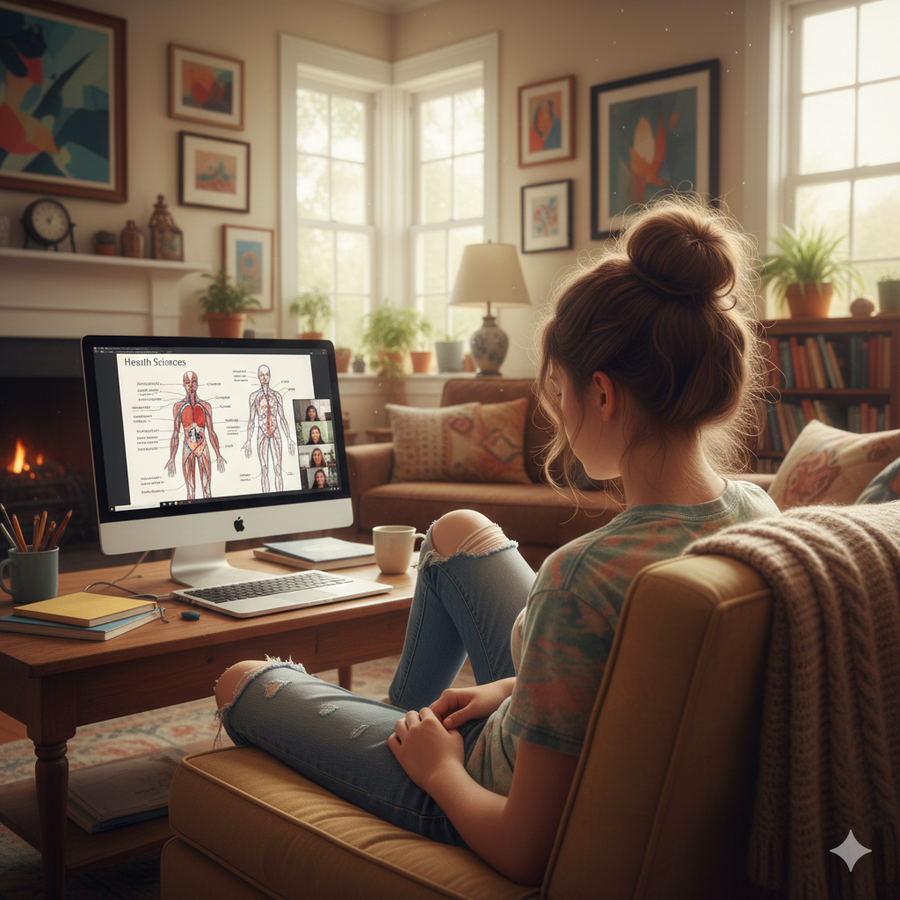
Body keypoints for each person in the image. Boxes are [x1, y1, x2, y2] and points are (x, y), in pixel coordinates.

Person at [214, 196, 780, 886]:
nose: (557, 413)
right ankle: (397, 720)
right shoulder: (759, 512)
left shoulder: (579, 577)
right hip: (532, 729)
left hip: (478, 791)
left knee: (239, 679)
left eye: (558, 391)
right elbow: (645, 677)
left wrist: (440, 770)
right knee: (454, 531)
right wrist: (511, 688)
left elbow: (526, 849)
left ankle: (395, 747)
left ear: (601, 394)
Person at [165, 370, 225, 500]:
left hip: (203, 447)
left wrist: (218, 454)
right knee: (190, 491)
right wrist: (172, 458)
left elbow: (211, 432)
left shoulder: (205, 406)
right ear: (183, 385)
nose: (190, 386)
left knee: (207, 489)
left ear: (197, 384)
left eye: (193, 382)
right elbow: (175, 433)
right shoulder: (178, 407)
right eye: (187, 383)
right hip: (187, 448)